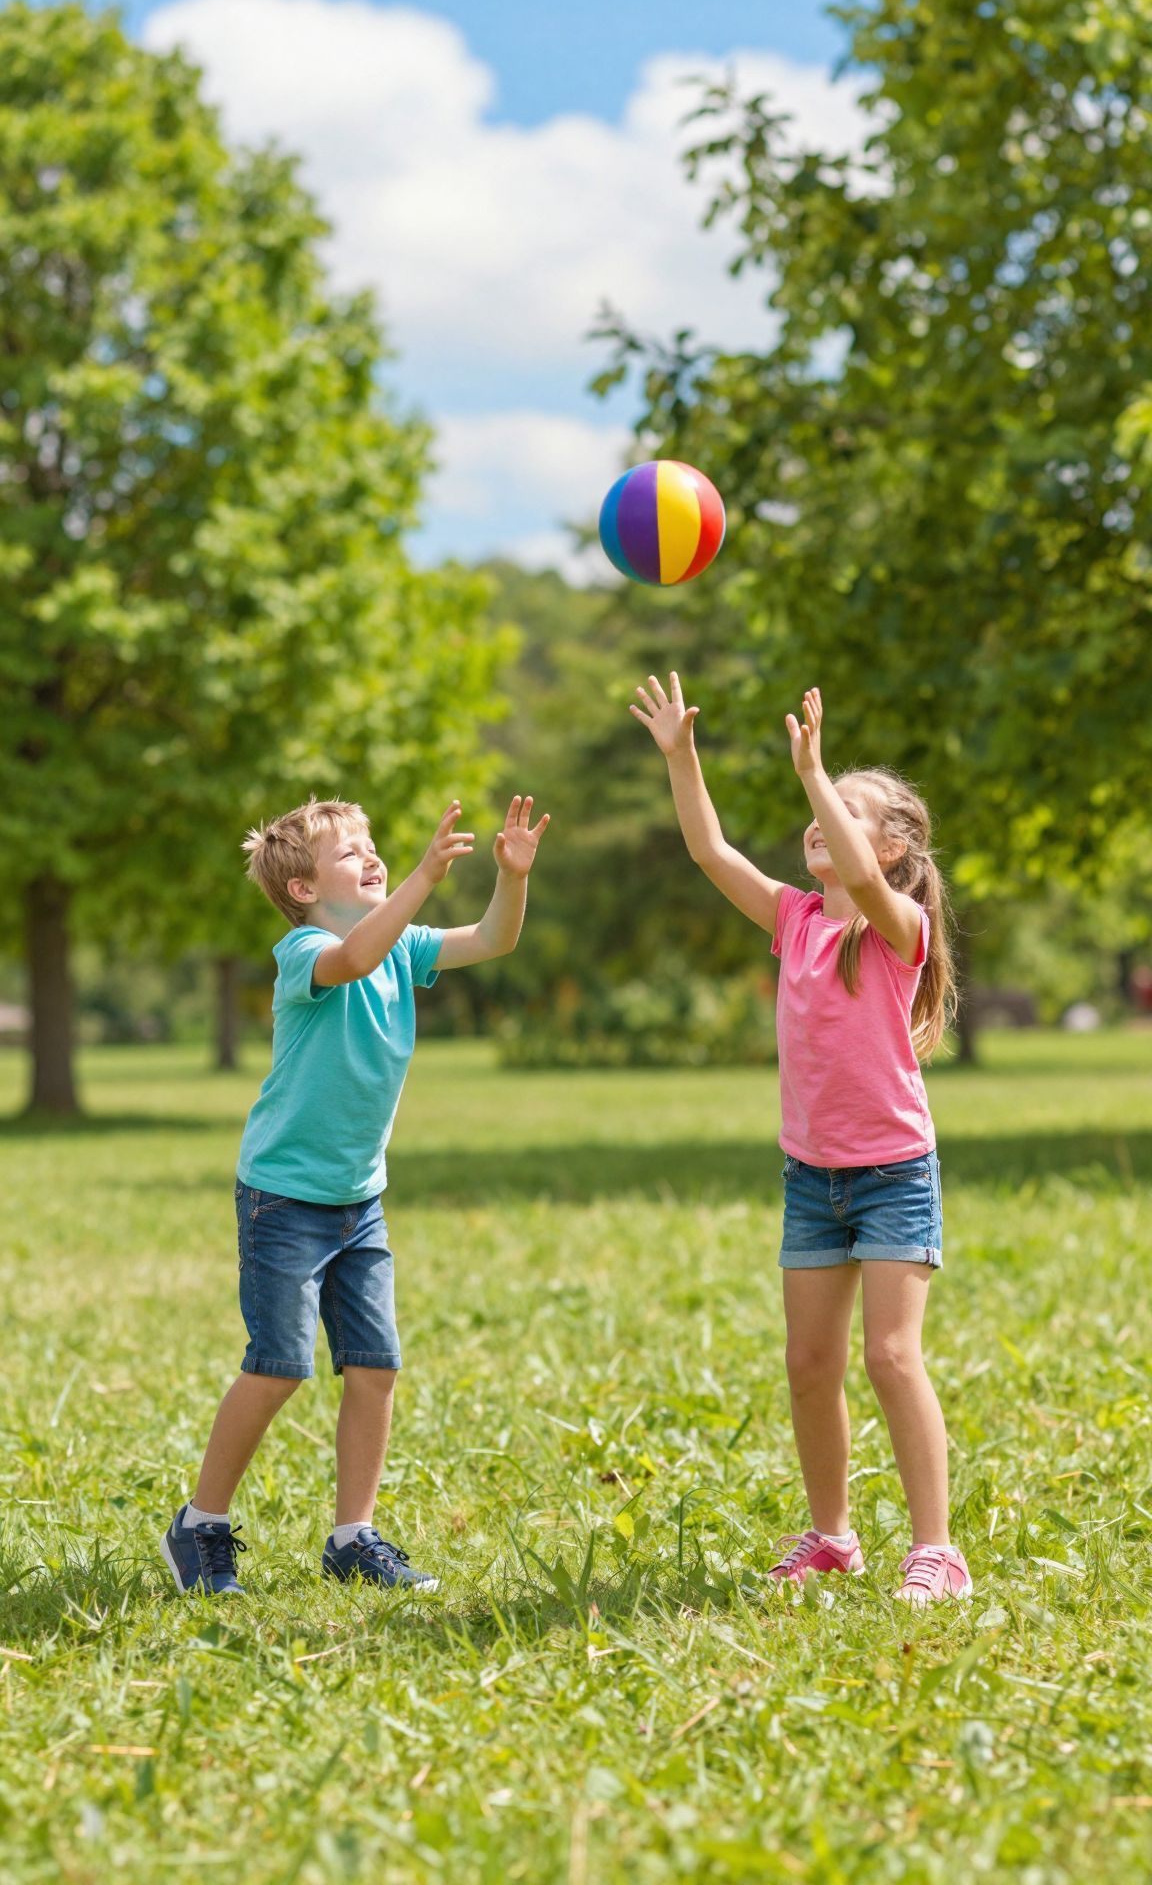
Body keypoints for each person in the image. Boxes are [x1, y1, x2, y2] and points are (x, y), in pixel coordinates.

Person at [630, 673, 969, 1606]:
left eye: (848, 814)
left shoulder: (897, 928)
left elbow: (861, 876)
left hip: (894, 1173)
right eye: (819, 811)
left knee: (891, 1357)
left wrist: (816, 768)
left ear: (894, 845)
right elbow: (709, 850)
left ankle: (937, 1551)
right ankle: (833, 1538)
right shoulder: (796, 920)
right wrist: (681, 754)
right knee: (809, 1364)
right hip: (812, 1177)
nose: (820, 822)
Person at [162, 792, 549, 1596]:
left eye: (374, 843)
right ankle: (200, 1525)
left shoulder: (403, 946)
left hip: (358, 1200)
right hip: (284, 1198)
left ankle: (353, 1536)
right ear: (304, 889)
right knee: (278, 1367)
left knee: (374, 1366)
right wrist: (421, 874)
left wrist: (511, 878)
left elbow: (494, 938)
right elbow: (355, 959)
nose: (371, 856)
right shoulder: (303, 952)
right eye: (351, 853)